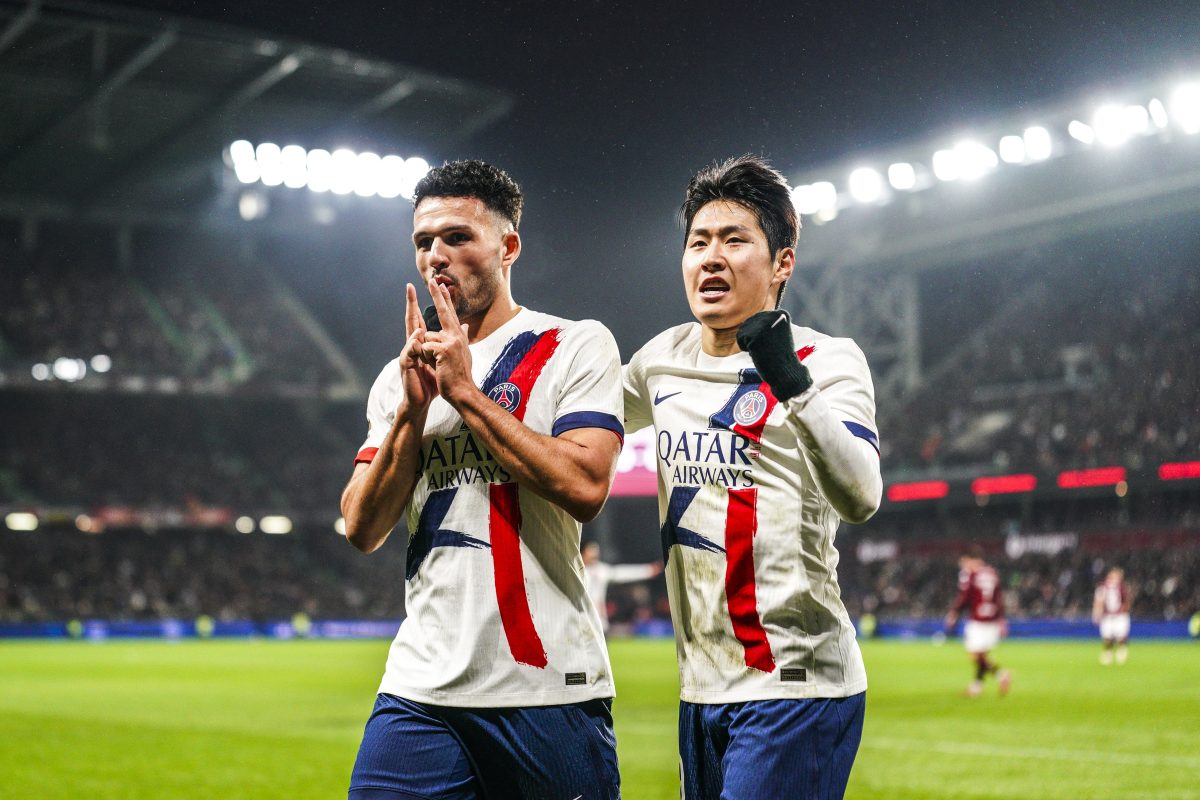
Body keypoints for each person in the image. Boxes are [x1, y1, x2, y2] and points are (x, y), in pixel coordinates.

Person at [340, 160, 625, 800]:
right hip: (421, 689)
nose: (435, 256)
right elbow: (361, 526)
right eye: (423, 242)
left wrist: (465, 393)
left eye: (457, 237)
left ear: (508, 246)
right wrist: (412, 413)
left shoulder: (575, 344)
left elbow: (586, 487)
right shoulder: (398, 377)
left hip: (547, 687)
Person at [623, 155, 882, 800]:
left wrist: (788, 377)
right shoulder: (659, 360)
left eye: (734, 240)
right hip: (700, 689)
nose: (711, 258)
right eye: (698, 242)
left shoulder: (830, 360)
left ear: (782, 263)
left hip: (795, 684)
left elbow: (861, 495)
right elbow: (573, 426)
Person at [944, 548, 1011, 697]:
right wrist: (1001, 619)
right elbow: (999, 599)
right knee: (982, 656)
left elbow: (965, 596)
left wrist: (954, 613)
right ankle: (977, 687)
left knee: (975, 655)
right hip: (992, 620)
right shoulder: (992, 573)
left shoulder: (971, 574)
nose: (964, 566)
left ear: (971, 560)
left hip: (978, 620)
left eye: (964, 562)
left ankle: (1001, 674)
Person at [581, 540, 662, 633]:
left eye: (595, 552)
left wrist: (648, 570)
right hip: (579, 621)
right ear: (582, 553)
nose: (594, 554)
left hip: (598, 622)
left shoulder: (600, 571)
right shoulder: (575, 571)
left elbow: (622, 573)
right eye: (591, 551)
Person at [1092, 566, 1132, 665]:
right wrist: (1096, 613)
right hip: (1107, 616)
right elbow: (1098, 602)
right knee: (1107, 636)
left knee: (1121, 635)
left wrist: (1125, 609)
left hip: (1120, 615)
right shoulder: (1102, 588)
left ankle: (1121, 651)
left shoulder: (1123, 588)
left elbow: (1127, 600)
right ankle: (1108, 653)